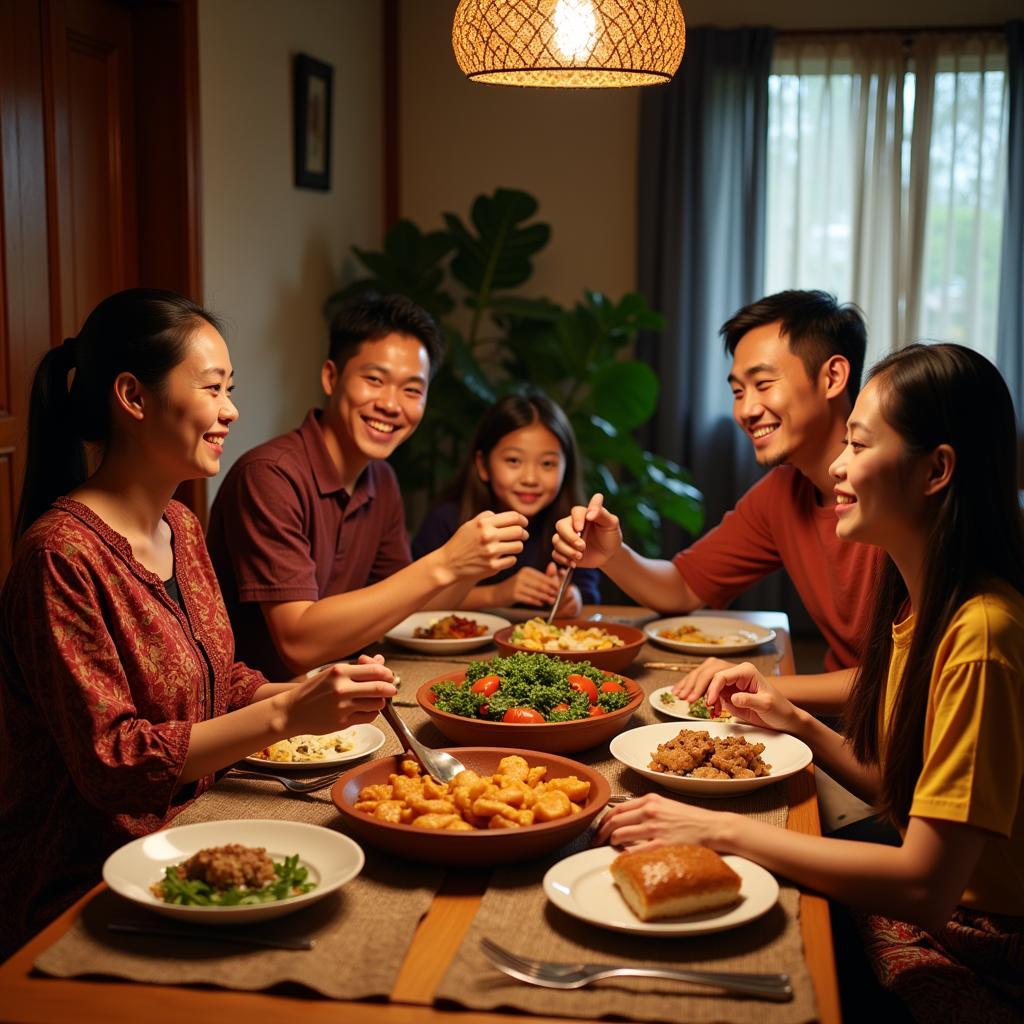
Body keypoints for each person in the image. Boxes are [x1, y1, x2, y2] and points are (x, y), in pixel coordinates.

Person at [597, 344, 1024, 1020]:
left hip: (986, 941)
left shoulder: (982, 633)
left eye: (859, 443)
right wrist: (793, 721)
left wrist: (713, 829)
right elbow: (909, 801)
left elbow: (925, 883)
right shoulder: (921, 600)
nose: (839, 467)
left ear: (937, 469)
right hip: (954, 904)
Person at [0, 289, 398, 959]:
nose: (231, 411)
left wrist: (315, 694)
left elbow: (223, 677)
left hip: (202, 837)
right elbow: (115, 763)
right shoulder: (61, 556)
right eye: (214, 389)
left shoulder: (181, 524)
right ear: (132, 396)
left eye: (230, 389)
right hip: (85, 890)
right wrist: (286, 715)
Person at [552, 290, 884, 713]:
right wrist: (612, 555)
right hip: (847, 722)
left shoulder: (891, 495)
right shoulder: (781, 493)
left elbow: (912, 679)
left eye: (763, 384)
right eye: (737, 390)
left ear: (833, 377)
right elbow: (683, 587)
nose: (745, 410)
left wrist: (766, 685)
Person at [206, 294, 528, 680]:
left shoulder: (381, 479)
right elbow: (298, 644)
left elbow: (411, 606)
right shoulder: (270, 475)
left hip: (335, 694)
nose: (392, 405)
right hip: (261, 710)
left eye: (412, 390)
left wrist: (473, 566)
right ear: (331, 377)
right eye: (375, 380)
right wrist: (445, 563)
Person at [412, 391, 599, 617]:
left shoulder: (573, 525)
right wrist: (498, 594)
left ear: (566, 469)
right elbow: (415, 601)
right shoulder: (447, 519)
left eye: (548, 463)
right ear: (483, 465)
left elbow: (586, 593)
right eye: (513, 461)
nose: (530, 478)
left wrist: (570, 597)